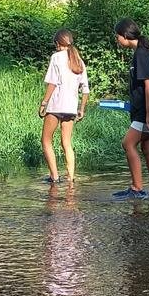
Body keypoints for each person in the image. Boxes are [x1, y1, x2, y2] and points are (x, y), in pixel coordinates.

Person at [114, 18, 149, 198]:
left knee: (128, 143)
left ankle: (136, 188)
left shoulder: (141, 54)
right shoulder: (143, 51)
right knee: (148, 148)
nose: (117, 40)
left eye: (117, 36)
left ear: (124, 35)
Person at [39, 29, 89, 184]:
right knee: (66, 143)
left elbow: (52, 83)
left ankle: (54, 177)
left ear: (57, 43)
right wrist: (81, 109)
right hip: (71, 107)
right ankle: (71, 177)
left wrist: (44, 103)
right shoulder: (79, 60)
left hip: (55, 106)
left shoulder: (56, 57)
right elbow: (85, 89)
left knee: (46, 140)